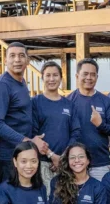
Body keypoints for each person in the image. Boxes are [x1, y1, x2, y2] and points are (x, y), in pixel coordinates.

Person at [0, 42, 45, 181]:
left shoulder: (21, 82)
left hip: (19, 153)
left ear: (27, 60)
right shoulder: (2, 85)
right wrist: (27, 141)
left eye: (21, 56)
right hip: (4, 157)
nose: (17, 60)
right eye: (12, 56)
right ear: (5, 60)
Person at [67, 58, 110, 181]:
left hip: (100, 163)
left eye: (93, 74)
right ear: (77, 76)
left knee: (101, 198)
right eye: (85, 74)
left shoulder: (105, 100)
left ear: (97, 76)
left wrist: (101, 124)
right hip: (75, 163)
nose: (89, 78)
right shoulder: (68, 101)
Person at [32, 61, 80, 191]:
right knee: (46, 202)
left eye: (55, 75)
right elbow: (34, 134)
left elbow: (75, 132)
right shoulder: (35, 102)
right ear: (42, 77)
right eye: (48, 75)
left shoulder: (69, 104)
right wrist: (51, 155)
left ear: (61, 78)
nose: (52, 79)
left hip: (65, 163)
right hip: (43, 163)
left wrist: (63, 157)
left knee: (65, 201)